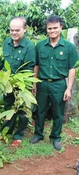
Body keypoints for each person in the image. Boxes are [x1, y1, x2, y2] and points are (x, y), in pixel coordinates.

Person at [30, 15, 78, 150]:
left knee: (58, 112)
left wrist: (68, 88)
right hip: (42, 83)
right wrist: (34, 84)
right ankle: (38, 134)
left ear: (61, 28)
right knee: (40, 111)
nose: (52, 31)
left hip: (59, 84)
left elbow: (71, 69)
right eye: (50, 28)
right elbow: (36, 66)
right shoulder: (40, 46)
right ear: (46, 29)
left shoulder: (68, 47)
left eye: (55, 28)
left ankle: (55, 137)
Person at [0, 17, 35, 147]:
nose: (13, 33)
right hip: (8, 84)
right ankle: (6, 132)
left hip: (21, 84)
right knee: (8, 107)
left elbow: (29, 69)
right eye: (11, 30)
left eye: (17, 30)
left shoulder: (29, 46)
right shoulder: (7, 42)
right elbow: (2, 61)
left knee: (21, 110)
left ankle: (18, 135)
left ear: (25, 29)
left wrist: (16, 82)